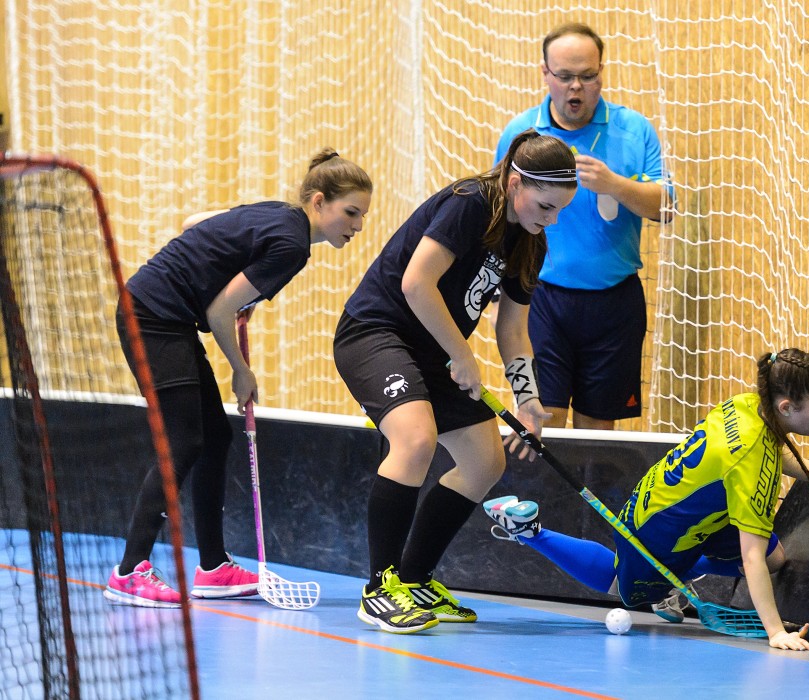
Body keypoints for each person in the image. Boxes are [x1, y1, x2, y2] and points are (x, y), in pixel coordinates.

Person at [104, 149, 373, 608]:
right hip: (151, 317)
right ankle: (129, 571)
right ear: (319, 201)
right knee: (186, 440)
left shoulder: (275, 213)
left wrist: (225, 268)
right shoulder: (291, 247)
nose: (357, 225)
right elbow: (219, 310)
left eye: (363, 216)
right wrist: (241, 371)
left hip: (165, 316)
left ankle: (212, 568)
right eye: (351, 212)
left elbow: (194, 223)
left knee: (213, 438)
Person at [334, 129, 577, 634]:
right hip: (377, 332)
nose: (550, 219)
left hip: (435, 352)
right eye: (545, 205)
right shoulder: (472, 203)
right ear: (514, 182)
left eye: (559, 210)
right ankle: (380, 588)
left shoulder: (530, 242)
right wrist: (462, 354)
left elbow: (512, 328)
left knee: (485, 460)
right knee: (416, 439)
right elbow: (415, 283)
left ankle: (415, 577)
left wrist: (528, 401)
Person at [483, 348, 809, 650]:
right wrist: (774, 632)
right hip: (655, 529)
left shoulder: (750, 406)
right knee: (623, 588)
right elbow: (748, 555)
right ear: (787, 407)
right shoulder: (749, 462)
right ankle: (529, 531)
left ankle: (671, 580)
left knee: (775, 557)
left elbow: (777, 455)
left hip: (689, 511)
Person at [494, 22, 672, 430]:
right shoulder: (522, 134)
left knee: (599, 431)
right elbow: (498, 215)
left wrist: (614, 184)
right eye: (565, 76)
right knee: (544, 422)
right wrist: (493, 296)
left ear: (601, 72)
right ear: (545, 74)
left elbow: (667, 208)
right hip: (540, 299)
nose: (577, 87)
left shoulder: (633, 130)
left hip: (614, 302)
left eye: (588, 76)